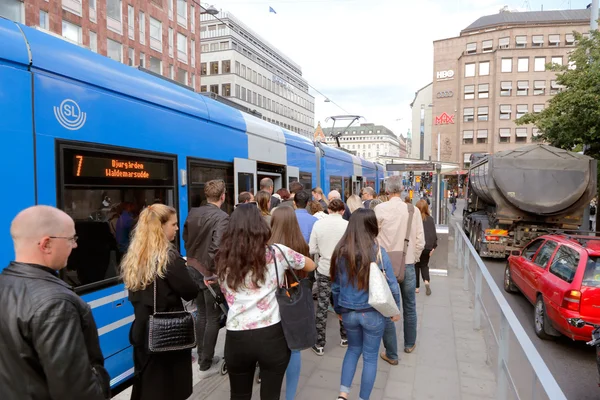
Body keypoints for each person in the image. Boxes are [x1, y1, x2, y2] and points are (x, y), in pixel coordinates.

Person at [0, 206, 110, 400]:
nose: (75, 246)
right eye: (71, 239)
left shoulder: (5, 284)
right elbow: (75, 391)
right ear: (46, 244)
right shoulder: (56, 304)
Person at [216, 204, 316, 400]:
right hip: (272, 335)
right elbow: (310, 265)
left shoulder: (222, 258)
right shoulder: (277, 252)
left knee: (238, 394)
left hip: (237, 336)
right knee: (271, 395)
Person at [122, 204, 199, 400]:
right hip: (166, 334)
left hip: (142, 331)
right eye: (173, 224)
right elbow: (190, 291)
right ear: (160, 227)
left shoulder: (135, 256)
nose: (176, 228)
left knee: (147, 386)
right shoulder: (168, 257)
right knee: (169, 389)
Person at [331, 209, 401, 400]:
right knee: (370, 357)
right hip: (372, 313)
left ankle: (343, 394)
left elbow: (335, 287)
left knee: (353, 350)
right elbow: (392, 284)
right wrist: (396, 310)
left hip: (348, 312)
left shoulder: (340, 251)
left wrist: (338, 309)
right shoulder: (378, 252)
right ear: (372, 227)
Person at [375, 175, 425, 364]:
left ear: (387, 191)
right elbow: (420, 240)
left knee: (387, 307)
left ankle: (391, 353)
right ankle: (409, 343)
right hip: (409, 264)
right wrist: (413, 256)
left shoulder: (379, 209)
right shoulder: (412, 210)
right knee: (410, 306)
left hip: (385, 265)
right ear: (402, 190)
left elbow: (373, 237)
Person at [183, 179, 230, 378]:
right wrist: (211, 272)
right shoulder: (223, 217)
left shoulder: (193, 213)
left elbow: (185, 239)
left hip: (192, 267)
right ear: (223, 196)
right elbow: (217, 247)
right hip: (209, 273)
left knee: (201, 313)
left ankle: (201, 353)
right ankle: (205, 361)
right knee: (212, 317)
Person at [268, 207, 311, 400]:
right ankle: (290, 396)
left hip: (273, 302)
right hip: (294, 301)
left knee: (274, 349)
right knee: (294, 349)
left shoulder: (269, 245)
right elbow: (308, 270)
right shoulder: (301, 243)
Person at [309, 199, 349, 356]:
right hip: (342, 271)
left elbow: (312, 248)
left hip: (325, 270)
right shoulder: (347, 225)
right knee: (343, 303)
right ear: (342, 211)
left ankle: (319, 344)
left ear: (329, 210)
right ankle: (345, 338)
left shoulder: (318, 225)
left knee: (322, 306)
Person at [415, 199, 437, 296]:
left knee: (415, 266)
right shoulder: (431, 219)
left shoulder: (415, 219)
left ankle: (416, 287)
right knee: (424, 265)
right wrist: (433, 247)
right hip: (427, 247)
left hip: (417, 246)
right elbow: (433, 234)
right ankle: (426, 282)